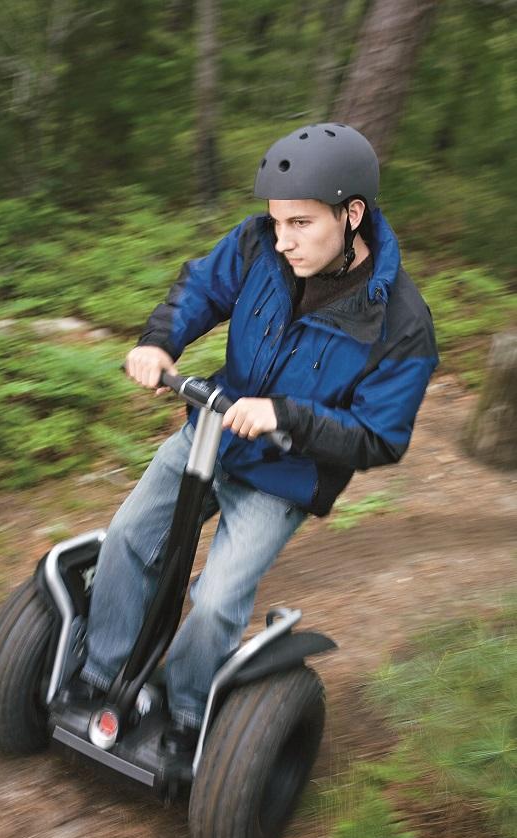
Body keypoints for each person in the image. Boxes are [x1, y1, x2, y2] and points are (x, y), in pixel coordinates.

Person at [79, 123, 438, 751]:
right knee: (129, 540)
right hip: (208, 431)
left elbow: (381, 437)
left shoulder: (400, 322)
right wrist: (160, 340)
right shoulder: (257, 246)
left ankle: (189, 714)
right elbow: (200, 288)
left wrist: (286, 418)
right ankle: (102, 678)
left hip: (284, 474)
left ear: (352, 214)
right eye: (277, 222)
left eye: (300, 224)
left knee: (217, 601)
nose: (283, 239)